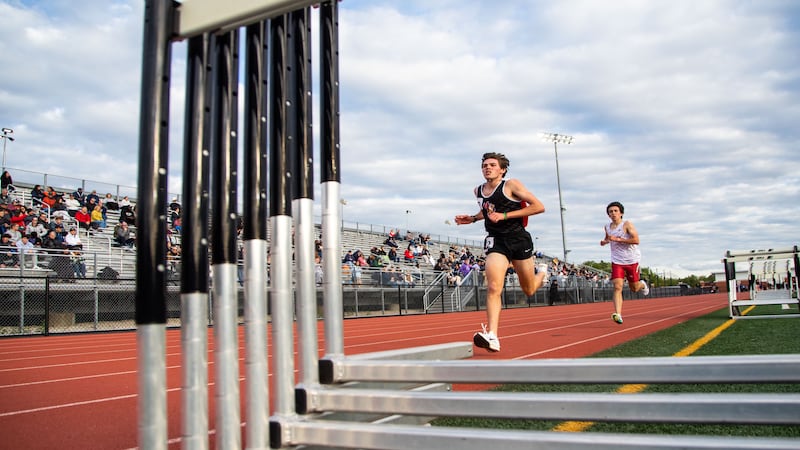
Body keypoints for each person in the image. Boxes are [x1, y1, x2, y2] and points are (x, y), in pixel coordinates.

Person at [455, 152, 548, 353]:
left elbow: (538, 207)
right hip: (496, 241)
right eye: (484, 165)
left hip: (519, 239)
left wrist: (505, 215)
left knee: (529, 289)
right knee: (493, 287)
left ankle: (542, 274)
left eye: (492, 165)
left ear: (502, 169)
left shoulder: (511, 185)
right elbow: (488, 210)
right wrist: (472, 218)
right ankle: (493, 336)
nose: (487, 168)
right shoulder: (478, 190)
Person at [600, 201, 649, 325]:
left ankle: (642, 284)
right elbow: (608, 238)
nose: (613, 213)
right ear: (608, 215)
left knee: (634, 288)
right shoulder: (607, 227)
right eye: (610, 212)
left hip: (632, 260)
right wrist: (604, 242)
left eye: (615, 211)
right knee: (617, 287)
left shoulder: (626, 225)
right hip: (617, 261)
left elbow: (636, 240)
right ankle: (618, 314)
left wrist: (618, 239)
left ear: (621, 213)